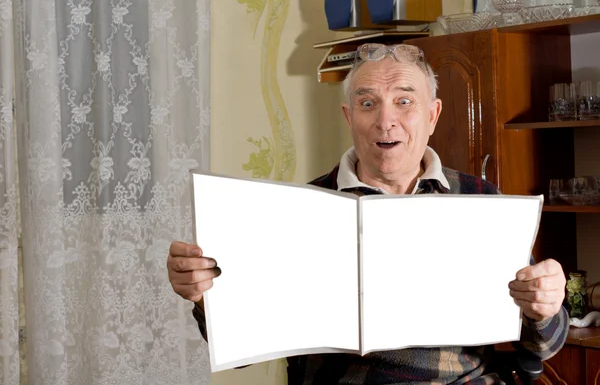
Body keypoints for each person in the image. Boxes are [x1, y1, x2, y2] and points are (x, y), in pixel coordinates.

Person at [167, 43, 569, 384]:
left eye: (404, 101)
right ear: (349, 117)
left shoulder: (482, 200)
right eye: (367, 103)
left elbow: (545, 347)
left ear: (432, 115)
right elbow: (241, 351)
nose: (385, 120)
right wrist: (206, 298)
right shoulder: (298, 212)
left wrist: (545, 307)